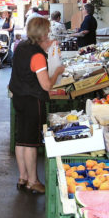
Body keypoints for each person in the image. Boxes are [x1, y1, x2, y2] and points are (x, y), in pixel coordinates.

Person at [8, 18, 65, 195]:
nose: (49, 33)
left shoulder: (21, 47)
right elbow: (46, 85)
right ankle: (33, 181)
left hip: (18, 98)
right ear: (42, 33)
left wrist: (46, 47)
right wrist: (57, 72)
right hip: (33, 100)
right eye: (47, 31)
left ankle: (22, 177)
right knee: (31, 142)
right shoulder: (38, 56)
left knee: (21, 139)